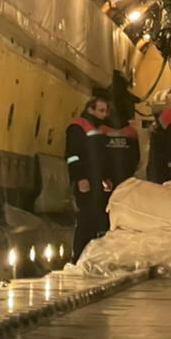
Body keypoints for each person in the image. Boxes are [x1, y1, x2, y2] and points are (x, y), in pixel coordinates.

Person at [65, 95, 110, 260]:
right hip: (85, 181)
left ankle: (90, 256)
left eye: (106, 111)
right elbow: (72, 155)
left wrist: (105, 177)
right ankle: (78, 256)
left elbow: (101, 158)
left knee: (96, 219)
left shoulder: (98, 129)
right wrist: (80, 178)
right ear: (90, 109)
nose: (104, 114)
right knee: (85, 220)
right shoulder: (78, 128)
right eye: (101, 110)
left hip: (96, 181)